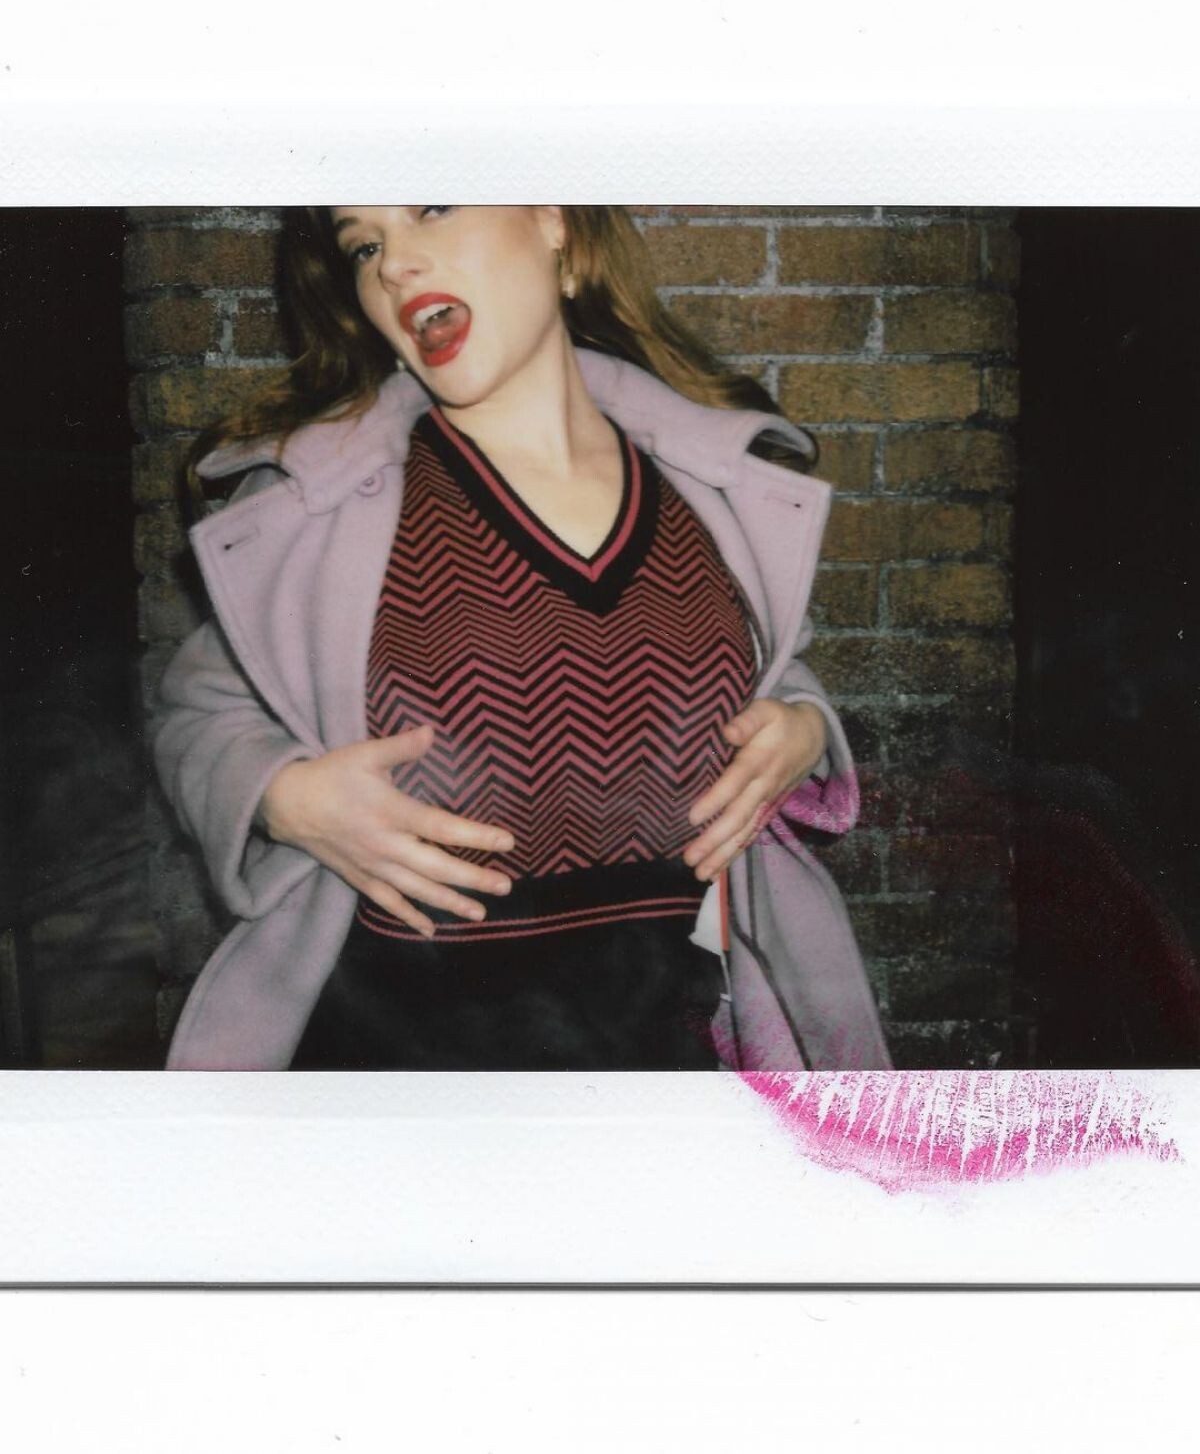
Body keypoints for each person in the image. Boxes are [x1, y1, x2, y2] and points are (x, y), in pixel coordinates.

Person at [153, 205, 891, 1072]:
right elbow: (197, 712)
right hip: (389, 1069)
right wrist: (283, 797)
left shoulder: (711, 479)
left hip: (662, 1058)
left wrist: (801, 727)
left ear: (553, 222)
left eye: (431, 206)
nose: (393, 265)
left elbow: (774, 668)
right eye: (365, 245)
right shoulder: (315, 499)